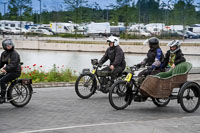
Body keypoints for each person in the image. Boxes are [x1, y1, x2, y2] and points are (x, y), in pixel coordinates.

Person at [0, 39, 21, 103]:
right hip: (9, 71)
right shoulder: (3, 54)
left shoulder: (15, 54)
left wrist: (5, 69)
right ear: (4, 46)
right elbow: (1, 63)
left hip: (15, 72)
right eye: (7, 46)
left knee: (2, 80)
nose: (9, 46)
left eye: (10, 45)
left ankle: (2, 98)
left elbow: (13, 64)